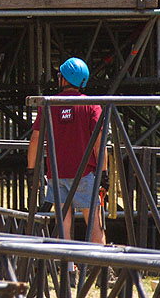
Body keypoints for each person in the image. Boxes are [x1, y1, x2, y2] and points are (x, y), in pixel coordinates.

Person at [26, 58, 105, 244]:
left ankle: (67, 268)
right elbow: (100, 143)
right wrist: (104, 173)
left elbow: (36, 138)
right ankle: (101, 269)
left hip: (57, 173)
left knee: (62, 223)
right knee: (94, 221)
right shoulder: (92, 105)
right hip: (85, 173)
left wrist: (32, 171)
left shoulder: (49, 104)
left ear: (63, 79)